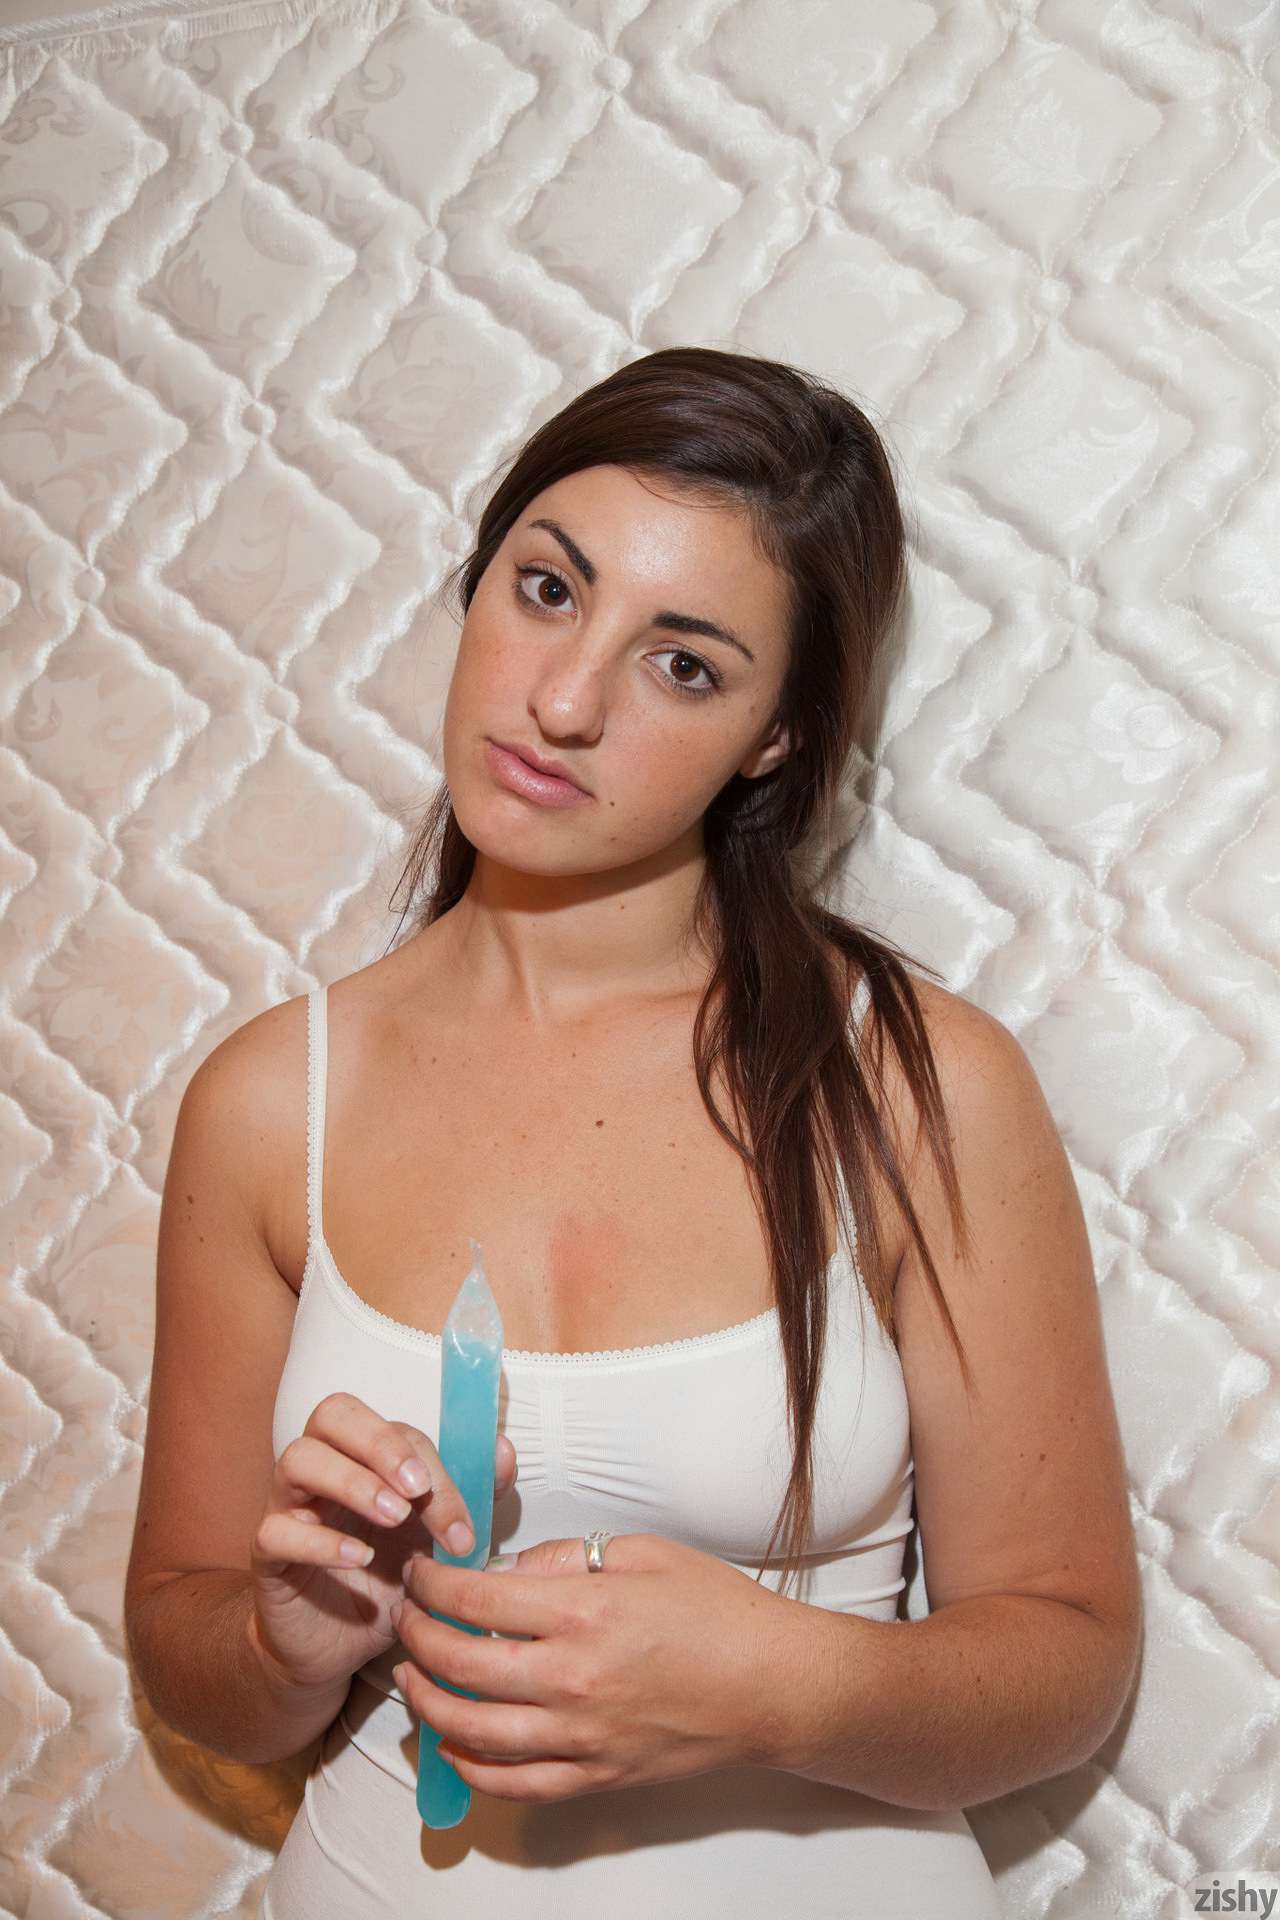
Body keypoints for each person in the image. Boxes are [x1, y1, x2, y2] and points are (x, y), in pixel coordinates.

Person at [124, 348, 1141, 1918]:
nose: (564, 700)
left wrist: (778, 1683)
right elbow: (192, 1660)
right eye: (547, 590)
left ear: (776, 736)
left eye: (684, 666)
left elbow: (1070, 1662)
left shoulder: (914, 1085)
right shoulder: (271, 1099)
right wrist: (286, 1637)